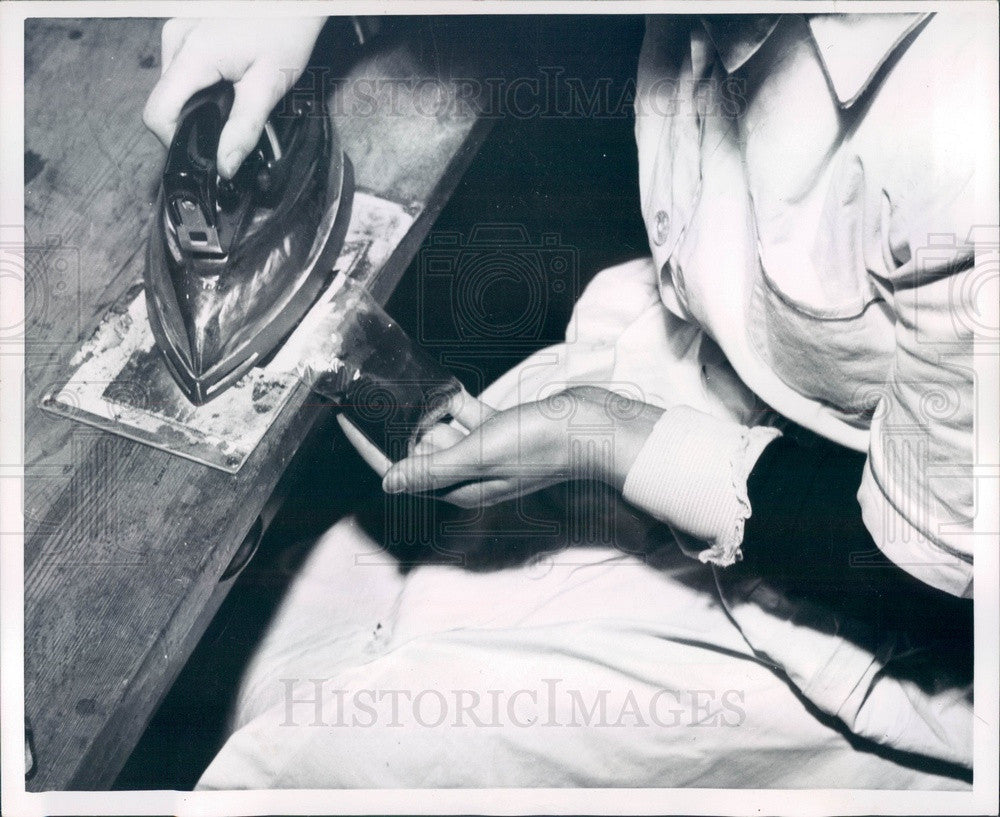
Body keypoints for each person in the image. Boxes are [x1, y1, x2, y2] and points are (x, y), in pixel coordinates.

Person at [144, 11, 996, 788]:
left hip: (869, 602)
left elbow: (923, 569)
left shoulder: (965, 128)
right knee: (277, 675)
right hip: (686, 376)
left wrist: (605, 437)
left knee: (309, 765)